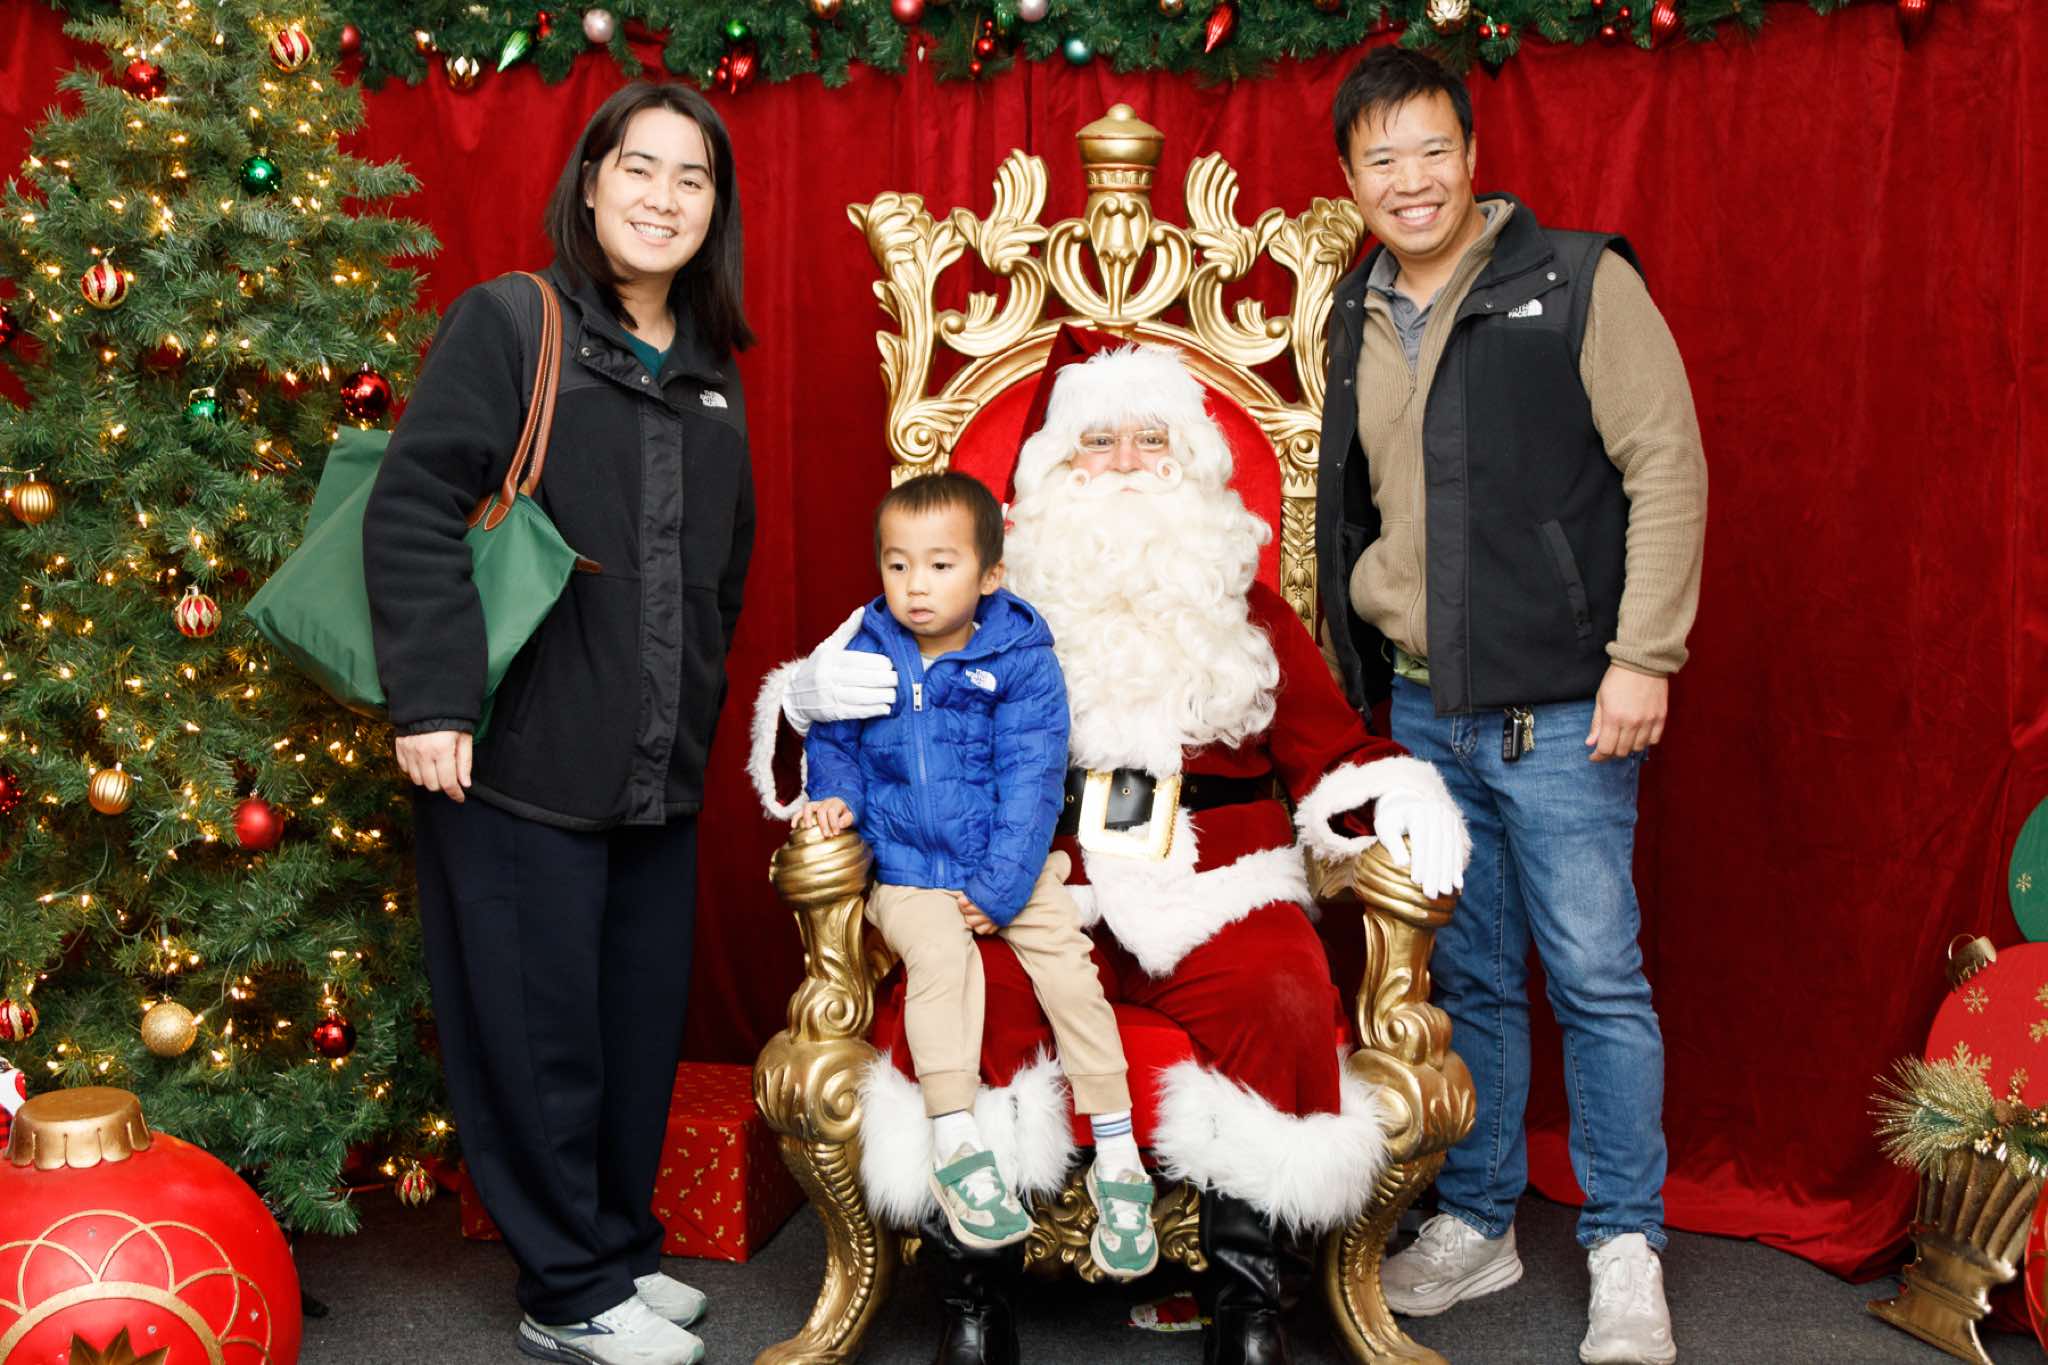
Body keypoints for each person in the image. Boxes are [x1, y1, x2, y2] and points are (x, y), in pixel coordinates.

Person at [759, 333, 1468, 1365]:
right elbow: (875, 711)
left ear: (1194, 464)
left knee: (1279, 991)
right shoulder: (982, 615)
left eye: (1152, 439)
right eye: (1098, 441)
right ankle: (974, 1296)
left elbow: (1334, 752)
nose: (1128, 462)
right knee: (971, 996)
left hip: (1221, 886)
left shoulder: (1247, 612)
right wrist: (810, 696)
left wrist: (1393, 796)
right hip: (1034, 878)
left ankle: (1247, 1304)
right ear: (1053, 471)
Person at [1316, 47, 1708, 1365]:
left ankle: (1625, 1243)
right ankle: (1479, 1217)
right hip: (1424, 715)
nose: (1410, 180)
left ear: (1472, 156)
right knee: (1470, 975)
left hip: (1562, 711)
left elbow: (1667, 466)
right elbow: (1355, 505)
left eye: (1431, 150)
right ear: (1351, 180)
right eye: (1381, 159)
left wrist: (1644, 654)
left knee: (1596, 978)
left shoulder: (1580, 281)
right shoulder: (1355, 306)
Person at [364, 81, 755, 1365]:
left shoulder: (708, 374)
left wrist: (686, 716)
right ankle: (567, 1289)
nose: (662, 198)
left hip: (651, 771)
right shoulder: (510, 321)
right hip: (512, 760)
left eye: (691, 178)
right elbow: (415, 508)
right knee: (538, 1041)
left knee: (631, 1030)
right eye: (638, 168)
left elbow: (720, 572)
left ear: (714, 209)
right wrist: (434, 700)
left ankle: (617, 1249)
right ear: (589, 185)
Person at [796, 471, 1160, 1283]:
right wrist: (836, 797)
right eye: (897, 565)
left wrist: (1000, 887)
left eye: (939, 565)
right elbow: (834, 741)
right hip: (906, 865)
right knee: (939, 958)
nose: (915, 586)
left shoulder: (1022, 658)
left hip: (1006, 862)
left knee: (1069, 967)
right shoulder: (865, 649)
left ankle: (1116, 1146)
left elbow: (1033, 783)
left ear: (990, 574)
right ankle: (956, 1139)